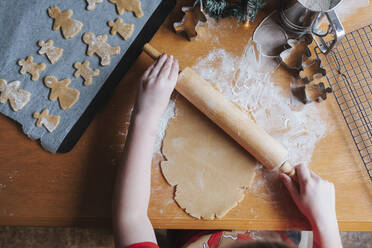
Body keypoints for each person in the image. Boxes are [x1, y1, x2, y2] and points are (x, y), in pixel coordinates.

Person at [112, 54, 343, 248]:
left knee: (182, 230)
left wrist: (145, 116)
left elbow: (130, 219)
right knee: (289, 229)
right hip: (272, 237)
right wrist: (325, 221)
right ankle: (278, 237)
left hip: (195, 238)